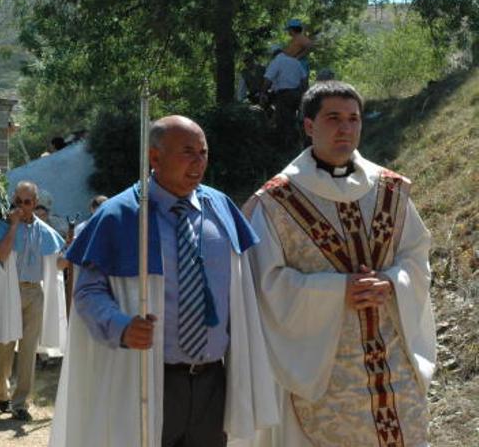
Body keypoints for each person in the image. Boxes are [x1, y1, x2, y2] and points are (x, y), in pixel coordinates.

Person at [49, 116, 277, 446]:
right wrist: (121, 325)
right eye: (188, 152)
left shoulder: (222, 209)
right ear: (155, 158)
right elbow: (87, 291)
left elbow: (246, 288)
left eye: (203, 152)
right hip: (146, 381)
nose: (198, 162)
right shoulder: (119, 215)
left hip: (214, 382)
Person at [243, 81, 436, 446]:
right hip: (323, 364)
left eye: (353, 119)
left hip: (392, 354)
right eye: (333, 118)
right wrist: (337, 291)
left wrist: (392, 283)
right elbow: (266, 283)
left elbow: (415, 256)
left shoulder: (391, 190)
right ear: (309, 126)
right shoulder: (277, 201)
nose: (345, 128)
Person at [0, 181, 66, 421]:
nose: (22, 206)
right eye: (17, 201)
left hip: (34, 293)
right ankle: (2, 392)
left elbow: (56, 263)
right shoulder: (2, 226)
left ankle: (20, 403)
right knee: (4, 344)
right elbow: (0, 254)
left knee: (28, 350)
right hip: (9, 291)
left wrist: (75, 255)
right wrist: (13, 225)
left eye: (27, 202)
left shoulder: (45, 230)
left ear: (35, 203)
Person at [263, 45, 308, 151]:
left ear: (274, 54)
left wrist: (263, 92)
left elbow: (268, 80)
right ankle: (300, 143)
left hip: (284, 95)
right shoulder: (295, 61)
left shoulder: (276, 61)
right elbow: (304, 79)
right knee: (296, 119)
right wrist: (302, 92)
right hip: (297, 93)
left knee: (284, 121)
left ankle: (287, 148)